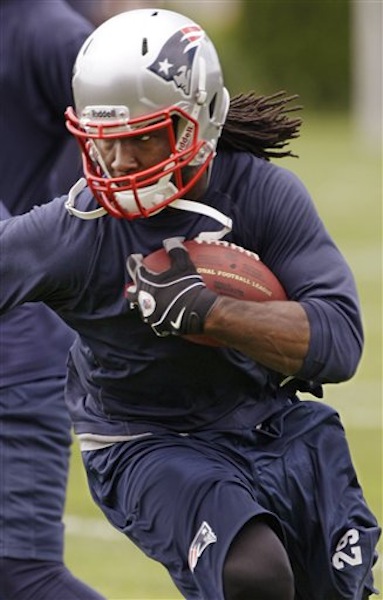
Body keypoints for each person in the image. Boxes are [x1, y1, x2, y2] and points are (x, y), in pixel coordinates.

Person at [0, 7, 380, 600]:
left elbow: (339, 343)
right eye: (106, 142)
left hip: (273, 421)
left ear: (197, 123)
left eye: (142, 136)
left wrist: (212, 313)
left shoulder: (261, 193)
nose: (121, 162)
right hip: (147, 438)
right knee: (253, 573)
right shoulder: (72, 230)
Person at [0, 1, 105, 598]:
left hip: (20, 345)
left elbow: (130, 139)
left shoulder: (48, 29)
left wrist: (63, 232)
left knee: (20, 573)